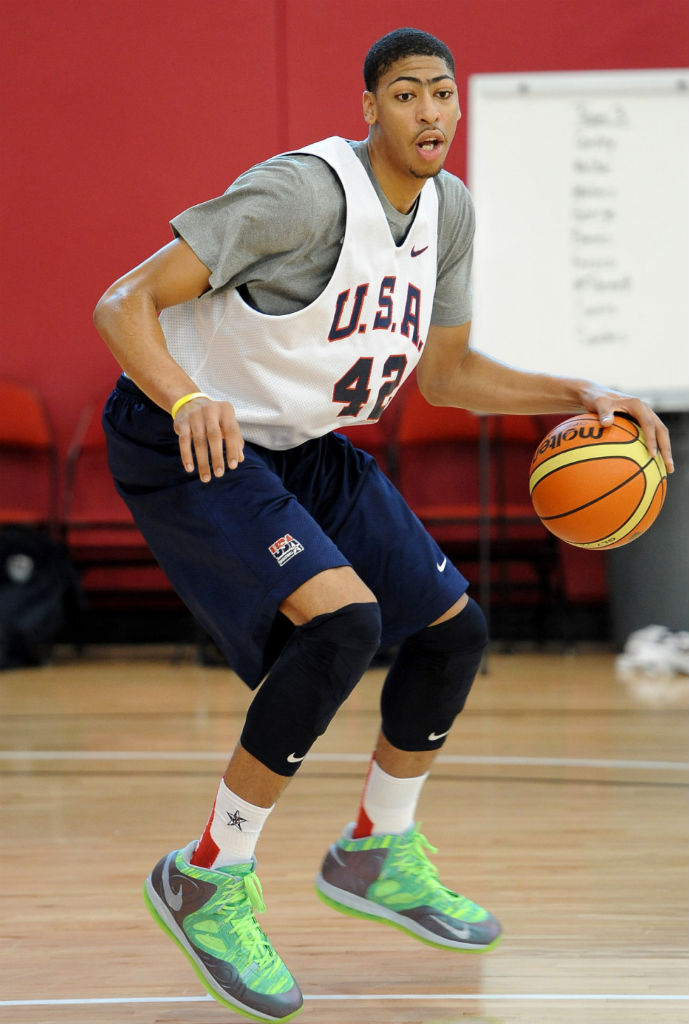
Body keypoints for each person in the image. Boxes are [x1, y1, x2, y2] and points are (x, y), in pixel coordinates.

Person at [93, 26, 673, 1023]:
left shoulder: (446, 213)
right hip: (189, 433)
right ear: (369, 108)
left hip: (302, 443)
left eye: (440, 94)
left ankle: (375, 850)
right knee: (341, 624)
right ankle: (206, 874)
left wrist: (580, 388)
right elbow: (123, 303)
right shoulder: (302, 196)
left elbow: (445, 375)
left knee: (454, 630)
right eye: (404, 96)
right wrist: (188, 401)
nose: (428, 113)